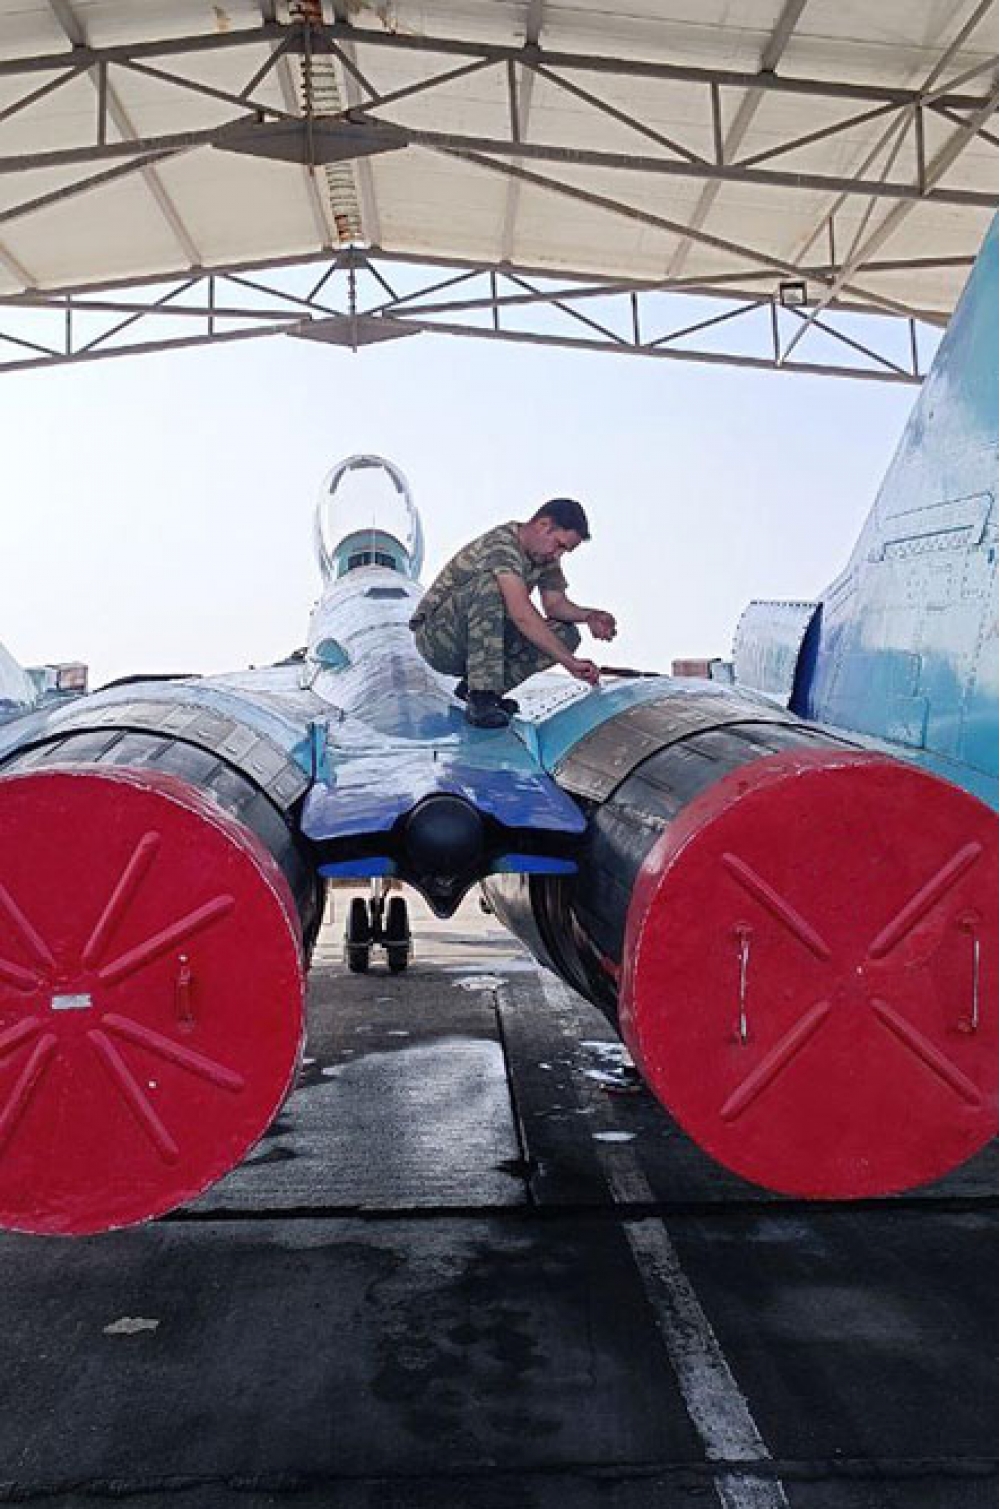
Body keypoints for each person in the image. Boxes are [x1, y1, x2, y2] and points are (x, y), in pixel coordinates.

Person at [409, 498, 617, 728]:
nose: (557, 555)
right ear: (543, 525)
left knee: (566, 634)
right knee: (490, 587)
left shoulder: (543, 557)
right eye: (559, 545)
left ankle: (480, 689)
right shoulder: (502, 546)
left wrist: (590, 616)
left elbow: (555, 605)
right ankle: (482, 696)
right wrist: (569, 662)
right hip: (438, 641)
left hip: (479, 641)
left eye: (564, 551)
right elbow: (521, 613)